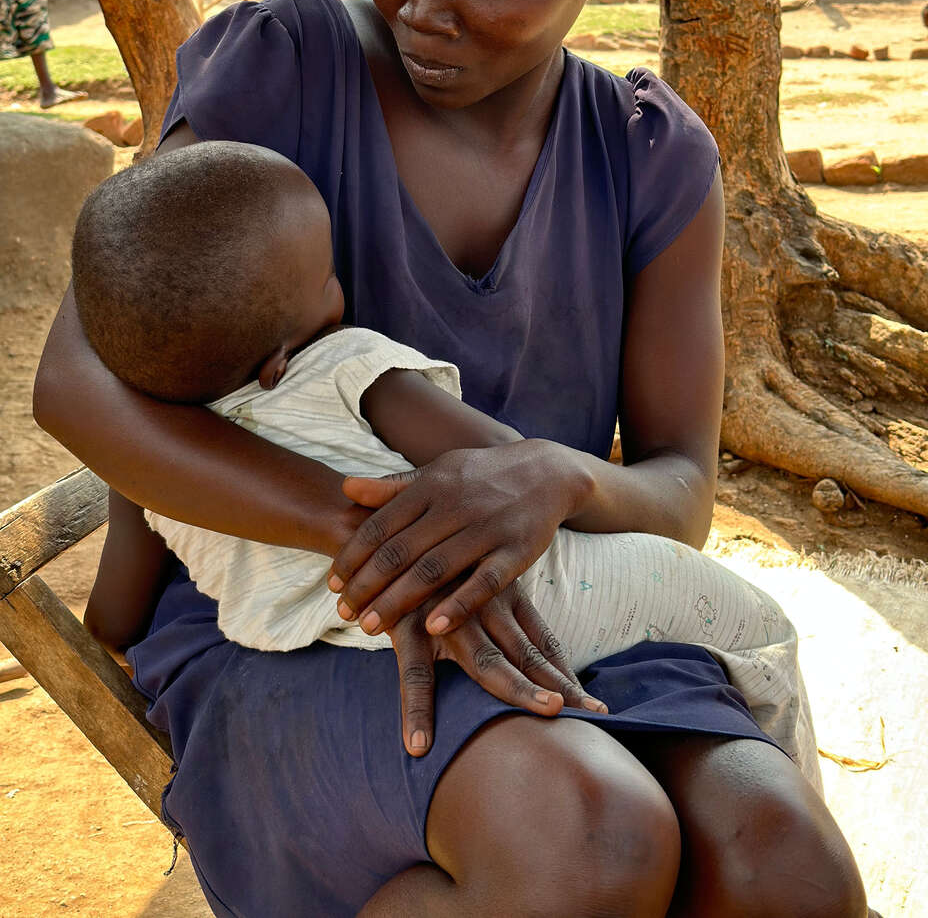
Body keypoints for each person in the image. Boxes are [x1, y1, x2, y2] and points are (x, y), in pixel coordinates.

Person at [35, 0, 869, 918]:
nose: (423, 4)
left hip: (559, 600)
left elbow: (681, 490)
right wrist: (375, 542)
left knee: (787, 869)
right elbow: (77, 380)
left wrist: (548, 478)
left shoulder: (647, 157)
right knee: (589, 841)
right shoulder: (288, 65)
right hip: (300, 620)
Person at [71, 140, 817, 772]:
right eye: (327, 277)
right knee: (760, 630)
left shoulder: (152, 470)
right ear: (278, 362)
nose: (340, 286)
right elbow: (504, 468)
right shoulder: (346, 367)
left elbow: (112, 616)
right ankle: (796, 775)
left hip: (355, 662)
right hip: (542, 596)